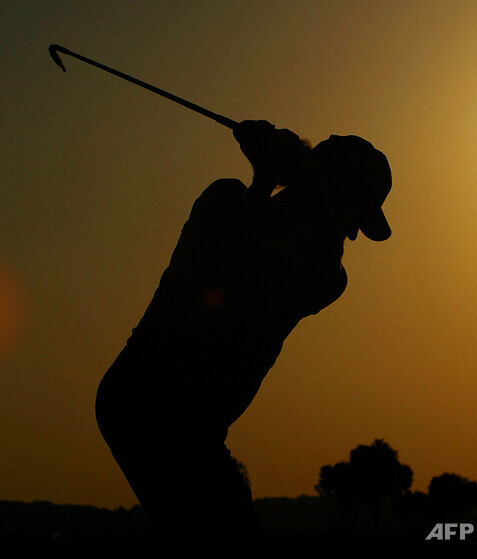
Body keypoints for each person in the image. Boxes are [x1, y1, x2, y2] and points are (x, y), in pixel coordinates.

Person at [94, 120, 392, 547]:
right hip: (147, 404)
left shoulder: (327, 277)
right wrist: (270, 176)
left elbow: (281, 255)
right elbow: (233, 260)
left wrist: (276, 175)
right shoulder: (225, 199)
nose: (349, 231)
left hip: (193, 426)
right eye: (350, 214)